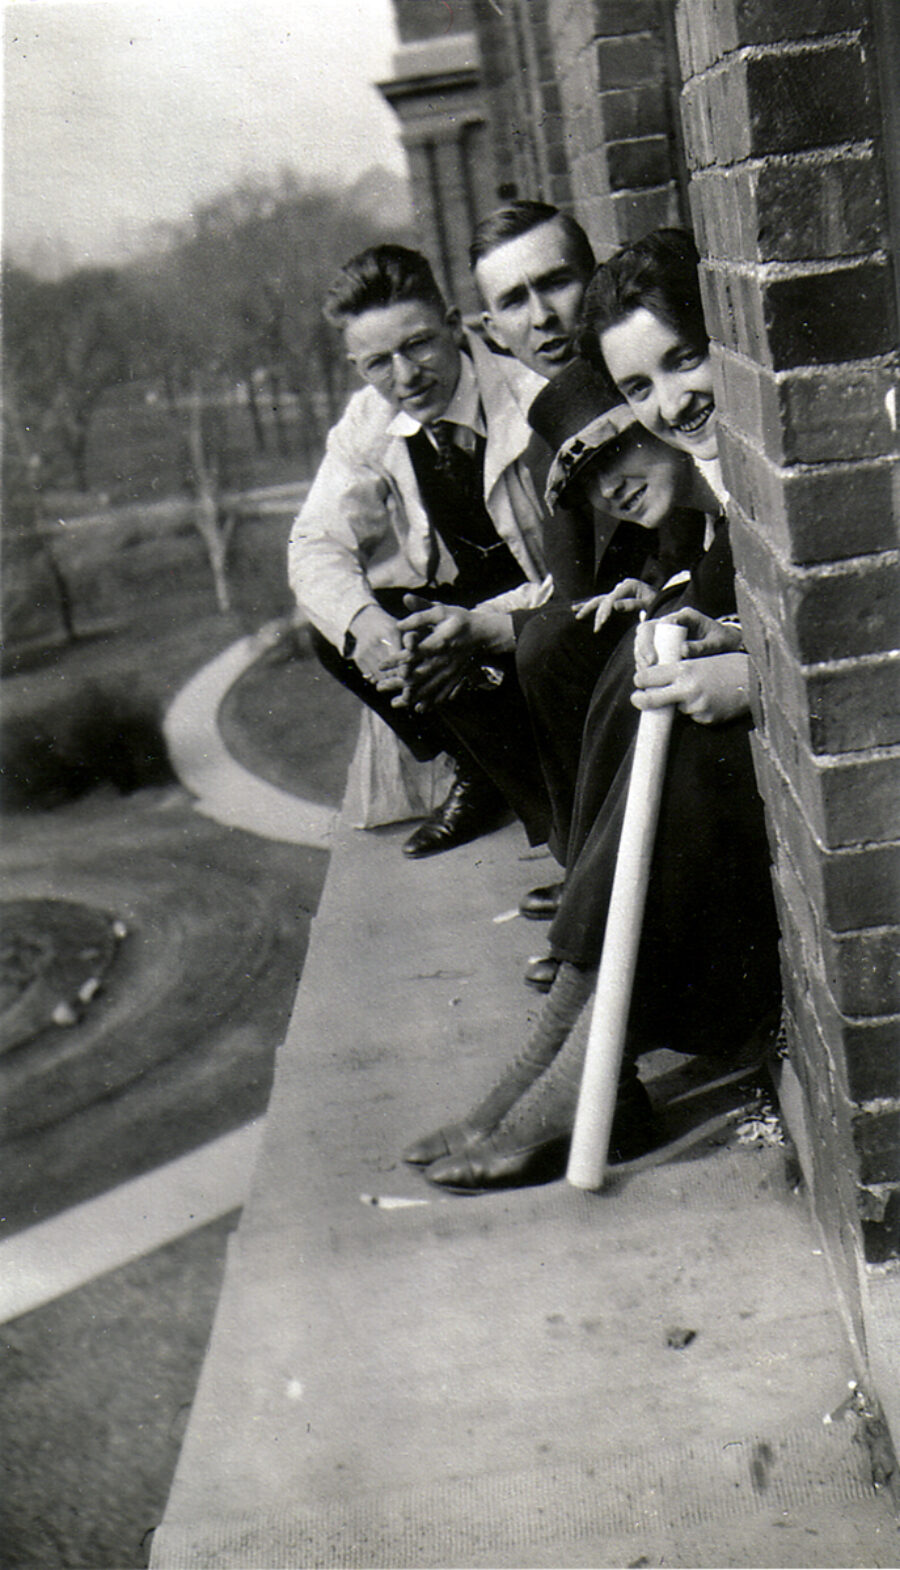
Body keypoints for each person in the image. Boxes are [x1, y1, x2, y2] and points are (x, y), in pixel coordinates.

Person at [403, 228, 781, 1191]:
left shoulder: (802, 442)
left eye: (684, 361)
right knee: (636, 669)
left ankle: (589, 1074)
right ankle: (561, 1052)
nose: (672, 402)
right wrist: (719, 632)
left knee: (692, 737)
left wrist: (759, 677)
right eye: (642, 389)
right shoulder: (729, 459)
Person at [288, 243, 555, 858]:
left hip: (546, 611)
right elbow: (315, 540)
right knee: (340, 628)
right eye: (378, 362)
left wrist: (475, 629)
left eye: (418, 345)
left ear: (454, 326)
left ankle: (555, 807)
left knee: (444, 642)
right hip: (468, 606)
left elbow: (581, 571)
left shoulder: (528, 399)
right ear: (358, 365)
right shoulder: (370, 418)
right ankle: (479, 770)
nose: (405, 376)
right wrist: (371, 629)